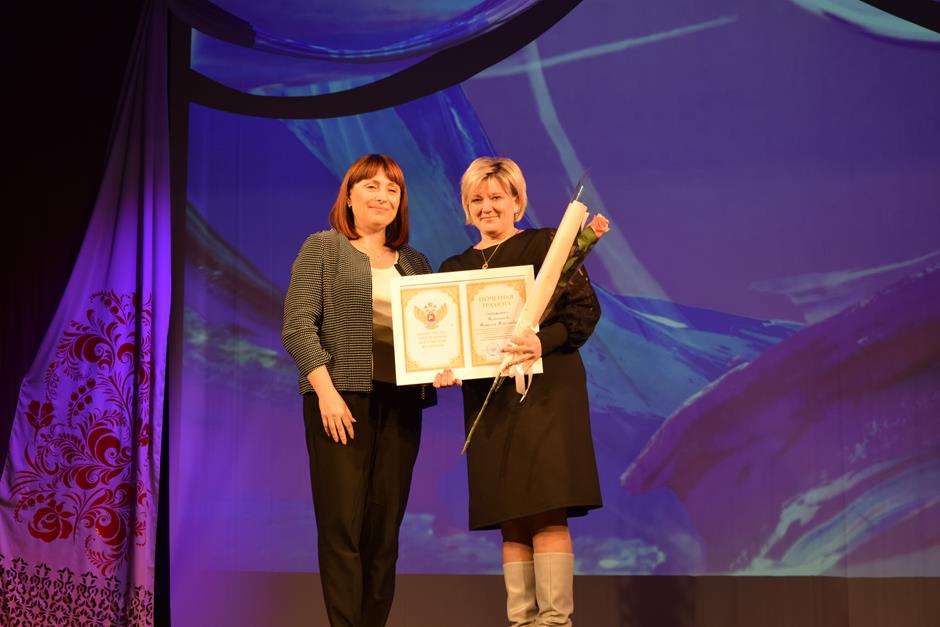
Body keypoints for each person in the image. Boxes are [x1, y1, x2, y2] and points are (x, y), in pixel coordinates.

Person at [434, 157, 602, 626]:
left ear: (516, 202)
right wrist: (443, 368)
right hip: (491, 404)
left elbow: (584, 313)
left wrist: (539, 342)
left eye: (496, 197)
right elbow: (447, 344)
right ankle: (522, 621)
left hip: (548, 395)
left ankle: (554, 622)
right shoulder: (455, 269)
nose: (487, 207)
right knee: (510, 516)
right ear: (466, 207)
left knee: (546, 510)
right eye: (477, 199)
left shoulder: (546, 245)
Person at [282, 154, 435, 627]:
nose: (382, 196)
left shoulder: (416, 263)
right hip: (340, 400)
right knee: (342, 529)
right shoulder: (323, 248)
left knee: (384, 534)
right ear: (349, 196)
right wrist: (326, 394)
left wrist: (443, 366)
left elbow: (433, 336)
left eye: (392, 188)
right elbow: (297, 326)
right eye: (371, 186)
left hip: (402, 404)